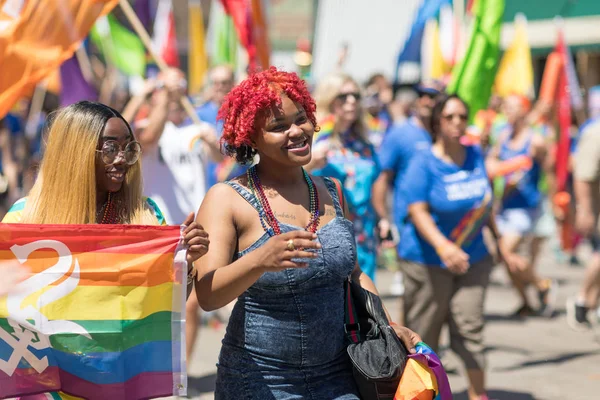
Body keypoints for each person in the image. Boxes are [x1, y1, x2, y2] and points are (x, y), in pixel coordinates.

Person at [193, 67, 421, 399]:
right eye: (278, 126)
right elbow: (208, 295)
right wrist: (259, 260)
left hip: (339, 372)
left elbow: (353, 274)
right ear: (250, 137)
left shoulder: (332, 190)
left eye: (300, 119)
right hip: (260, 379)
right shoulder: (227, 198)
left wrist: (387, 325)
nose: (297, 132)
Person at [1, 101, 209, 398]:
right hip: (49, 388)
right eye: (110, 148)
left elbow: (161, 309)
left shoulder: (146, 217)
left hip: (120, 382)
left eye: (128, 148)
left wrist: (183, 265)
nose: (123, 159)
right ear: (76, 152)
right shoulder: (24, 222)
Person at [400, 93, 521, 400]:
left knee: (470, 328)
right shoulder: (422, 162)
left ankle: (478, 394)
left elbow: (484, 203)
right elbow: (417, 210)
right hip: (427, 260)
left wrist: (503, 247)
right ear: (436, 123)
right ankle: (422, 394)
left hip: (474, 258)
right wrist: (444, 248)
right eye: (449, 117)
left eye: (462, 117)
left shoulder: (475, 155)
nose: (457, 123)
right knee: (423, 333)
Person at [128, 68, 222, 366]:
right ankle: (150, 368)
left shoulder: (197, 128)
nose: (174, 96)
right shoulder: (149, 125)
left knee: (190, 305)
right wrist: (161, 94)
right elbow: (148, 136)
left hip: (194, 227)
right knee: (151, 304)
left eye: (179, 88)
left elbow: (222, 158)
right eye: (169, 90)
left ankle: (181, 373)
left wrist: (210, 142)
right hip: (156, 228)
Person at [486, 94, 556, 318]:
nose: (508, 111)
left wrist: (556, 200)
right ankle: (527, 301)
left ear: (525, 111)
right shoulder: (504, 136)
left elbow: (550, 172)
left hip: (527, 207)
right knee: (507, 260)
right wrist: (504, 168)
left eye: (514, 107)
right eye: (506, 107)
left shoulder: (534, 141)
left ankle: (541, 282)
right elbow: (491, 163)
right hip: (506, 204)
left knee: (506, 250)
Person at [307, 72, 380, 281]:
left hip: (363, 234)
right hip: (328, 233)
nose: (351, 102)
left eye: (356, 96)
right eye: (344, 96)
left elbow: (374, 184)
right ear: (329, 100)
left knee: (365, 305)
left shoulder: (364, 143)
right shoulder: (315, 138)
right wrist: (310, 162)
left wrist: (382, 220)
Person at [372, 82, 440, 295]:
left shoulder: (445, 133)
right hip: (409, 221)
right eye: (422, 95)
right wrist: (383, 217)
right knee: (416, 290)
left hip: (444, 221)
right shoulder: (401, 134)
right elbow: (382, 178)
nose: (427, 101)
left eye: (433, 96)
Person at [567, 102, 600, 331]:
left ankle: (590, 303)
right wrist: (585, 209)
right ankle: (582, 300)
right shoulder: (595, 133)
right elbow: (583, 175)